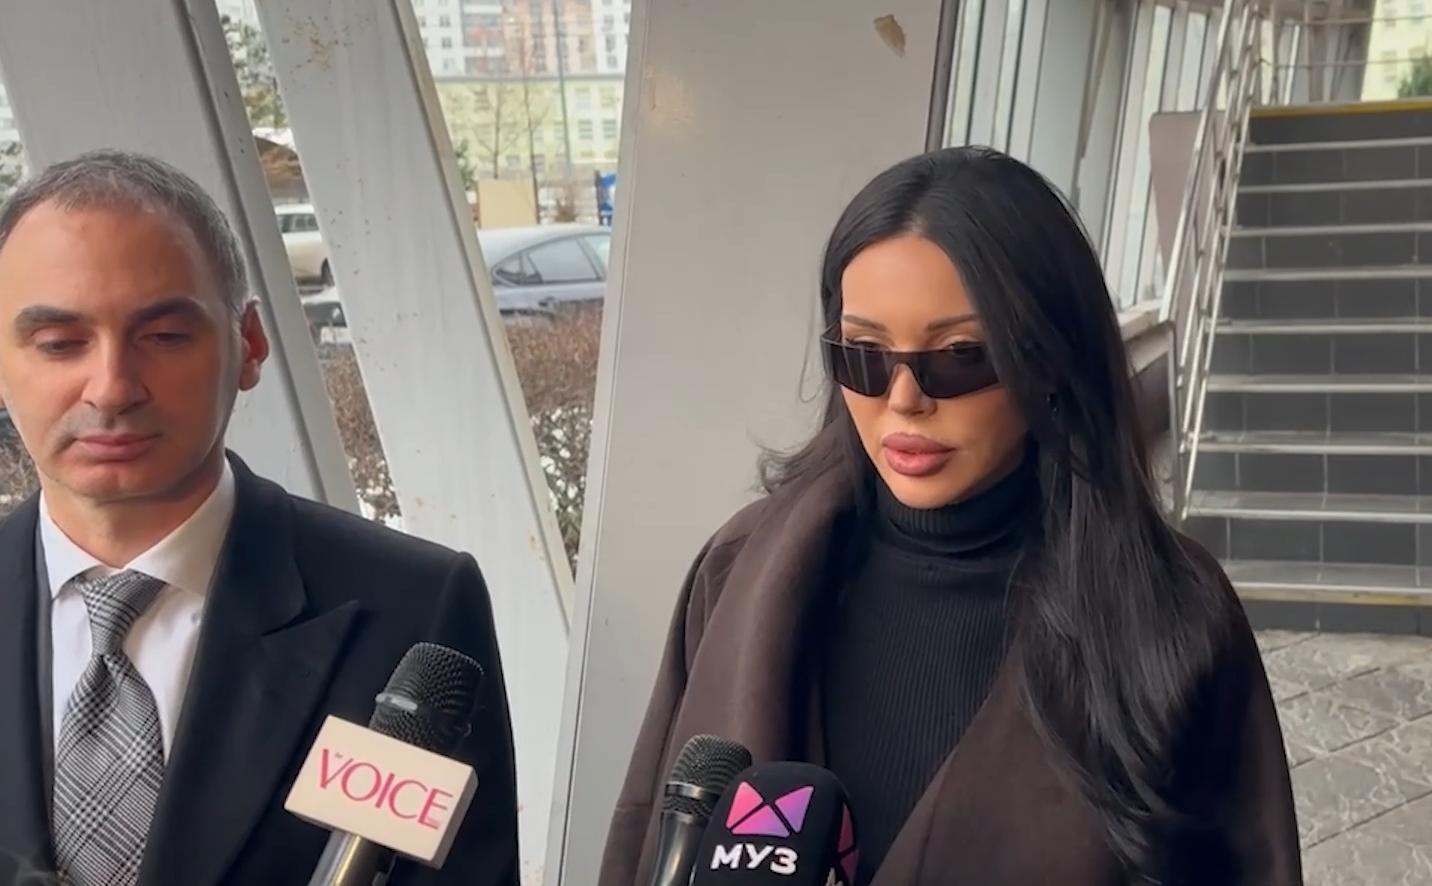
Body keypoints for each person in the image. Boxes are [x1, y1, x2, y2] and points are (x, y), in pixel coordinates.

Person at [600, 147, 1300, 885]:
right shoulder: (738, 568)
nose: (904, 399)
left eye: (960, 354)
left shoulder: (1174, 611)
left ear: (1050, 359)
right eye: (864, 354)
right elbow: (641, 838)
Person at [0, 150, 520, 886]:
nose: (111, 388)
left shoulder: (409, 609)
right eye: (60, 344)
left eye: (164, 336)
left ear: (248, 344)